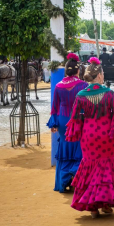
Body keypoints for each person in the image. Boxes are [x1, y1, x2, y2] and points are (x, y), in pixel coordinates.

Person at [65, 57, 114, 218]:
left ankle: (93, 208)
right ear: (99, 75)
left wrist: (76, 134)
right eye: (103, 73)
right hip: (106, 136)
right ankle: (105, 204)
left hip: (88, 136)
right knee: (105, 166)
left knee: (89, 166)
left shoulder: (80, 95)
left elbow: (76, 119)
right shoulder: (109, 93)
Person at [47, 53, 88, 193]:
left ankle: (63, 182)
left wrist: (53, 124)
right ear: (78, 71)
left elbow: (54, 107)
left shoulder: (58, 86)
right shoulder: (83, 85)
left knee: (64, 147)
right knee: (79, 146)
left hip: (63, 120)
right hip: (78, 119)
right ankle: (75, 171)